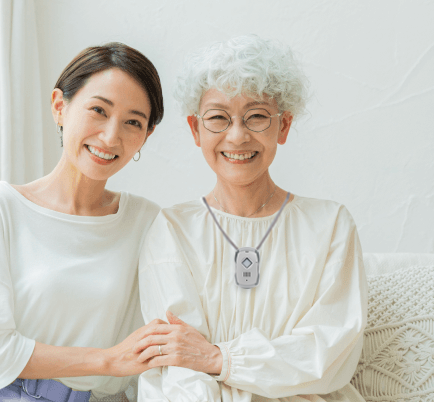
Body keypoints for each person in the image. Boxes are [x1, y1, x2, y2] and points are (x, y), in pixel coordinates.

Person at [0, 42, 167, 402]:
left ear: (145, 136)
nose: (110, 136)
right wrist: (108, 361)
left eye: (133, 122)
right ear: (60, 106)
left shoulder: (146, 223)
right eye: (98, 110)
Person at [133, 35, 368, 402]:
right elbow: (178, 366)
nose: (238, 135)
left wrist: (219, 358)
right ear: (196, 129)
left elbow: (328, 355)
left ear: (284, 126)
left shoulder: (330, 224)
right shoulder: (171, 229)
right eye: (218, 118)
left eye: (257, 116)